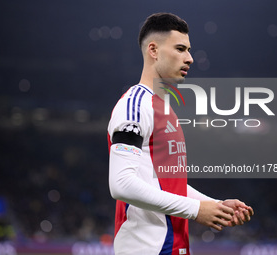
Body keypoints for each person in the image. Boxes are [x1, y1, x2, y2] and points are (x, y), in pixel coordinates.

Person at [107, 13, 254, 255]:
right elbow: (121, 184)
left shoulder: (164, 109)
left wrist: (214, 206)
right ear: (153, 50)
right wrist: (196, 210)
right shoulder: (133, 106)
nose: (190, 58)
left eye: (188, 50)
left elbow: (167, 183)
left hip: (174, 247)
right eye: (180, 49)